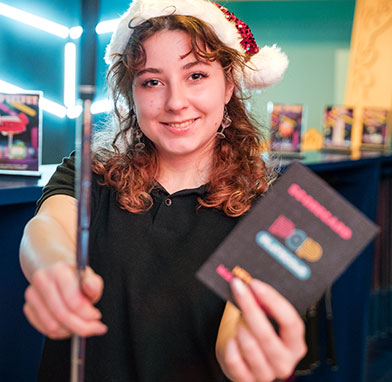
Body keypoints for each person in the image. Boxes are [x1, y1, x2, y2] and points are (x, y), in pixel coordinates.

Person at [19, 0, 306, 381]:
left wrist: (250, 355)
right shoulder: (91, 171)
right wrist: (53, 267)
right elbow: (47, 227)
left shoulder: (271, 208)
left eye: (196, 75)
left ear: (228, 86)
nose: (175, 102)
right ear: (132, 94)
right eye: (152, 81)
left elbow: (235, 335)